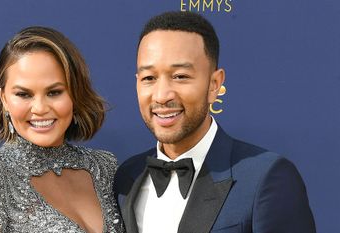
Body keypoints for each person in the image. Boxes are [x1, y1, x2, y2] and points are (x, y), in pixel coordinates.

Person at [114, 11, 315, 233]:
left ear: (214, 84)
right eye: (149, 78)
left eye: (180, 76)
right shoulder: (126, 178)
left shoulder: (265, 178)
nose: (162, 95)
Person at [0, 26, 124, 233]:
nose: (40, 108)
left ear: (74, 94)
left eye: (54, 92)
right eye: (24, 94)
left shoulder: (105, 167)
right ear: (4, 99)